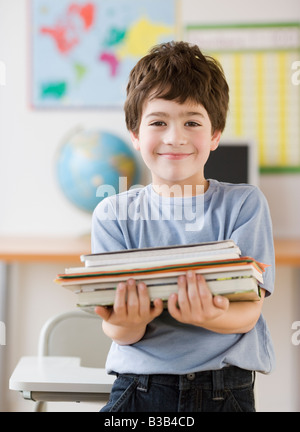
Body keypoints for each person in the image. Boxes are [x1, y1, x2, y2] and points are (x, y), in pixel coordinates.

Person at [92, 41, 275, 412]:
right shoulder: (112, 214)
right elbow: (117, 329)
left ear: (214, 135)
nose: (175, 137)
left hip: (223, 390)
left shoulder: (245, 204)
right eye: (158, 122)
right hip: (138, 389)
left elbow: (248, 311)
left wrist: (212, 315)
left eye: (192, 122)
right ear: (135, 134)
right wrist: (130, 321)